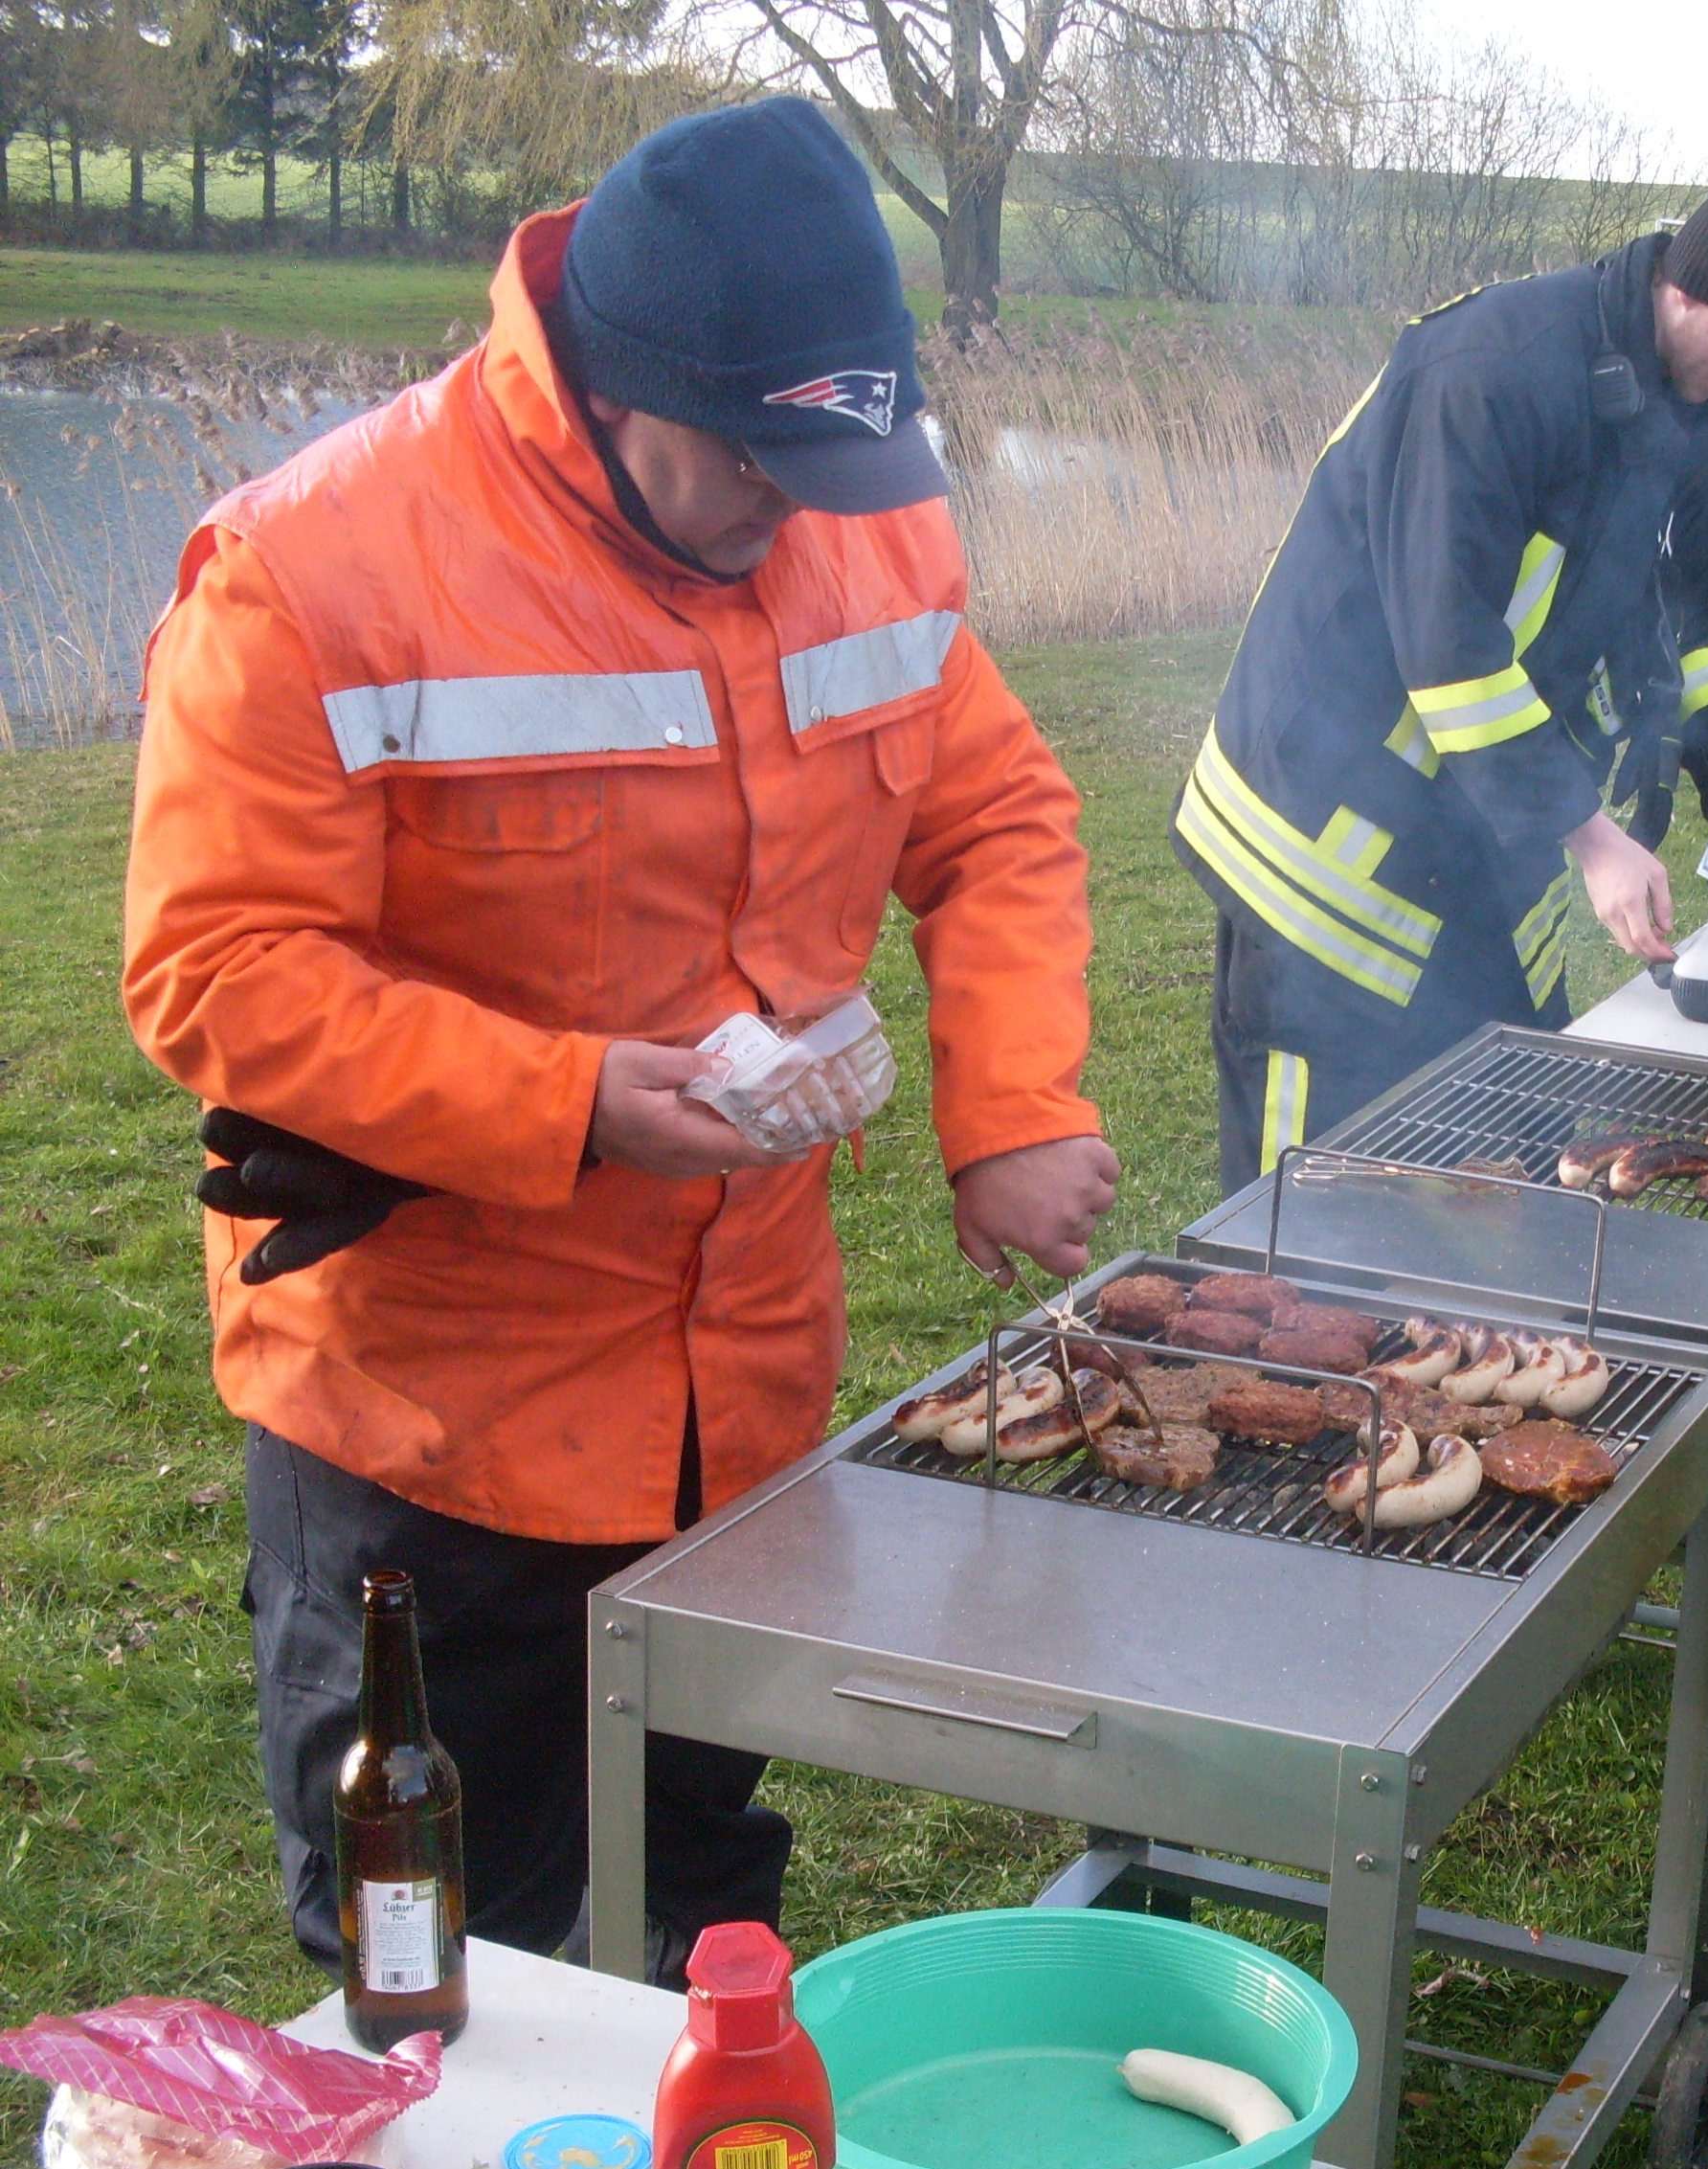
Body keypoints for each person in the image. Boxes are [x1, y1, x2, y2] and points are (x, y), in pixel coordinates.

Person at [119, 98, 1119, 1986]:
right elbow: (219, 966)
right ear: (609, 379)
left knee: (694, 1896)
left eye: (832, 466)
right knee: (441, 1962)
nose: (792, 516)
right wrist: (568, 1100)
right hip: (438, 1433)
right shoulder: (319, 572)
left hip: (734, 1406)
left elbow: (995, 818)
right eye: (753, 464)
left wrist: (1010, 1104)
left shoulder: (859, 524)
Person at [1177, 170, 1708, 1190]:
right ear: (1687, 290)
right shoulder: (1490, 371)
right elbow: (1447, 638)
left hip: (1474, 848)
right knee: (1304, 1204)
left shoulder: (1670, 402)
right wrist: (1592, 837)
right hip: (1324, 851)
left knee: (1510, 1155)